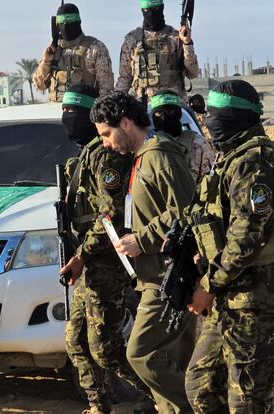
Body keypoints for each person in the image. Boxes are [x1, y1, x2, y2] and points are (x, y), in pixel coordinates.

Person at [185, 79, 274, 414]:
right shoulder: (231, 158)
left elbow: (245, 237)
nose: (208, 122)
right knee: (201, 385)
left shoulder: (256, 161)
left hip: (254, 297)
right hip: (228, 294)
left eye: (216, 116)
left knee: (247, 399)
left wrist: (208, 285)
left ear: (234, 118)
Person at [91, 91, 196, 414]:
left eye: (107, 134)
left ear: (125, 122)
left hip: (168, 278)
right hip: (153, 274)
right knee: (173, 356)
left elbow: (187, 209)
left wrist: (143, 239)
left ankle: (203, 402)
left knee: (140, 352)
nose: (106, 144)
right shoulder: (142, 159)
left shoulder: (160, 156)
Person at [60, 85, 150, 414]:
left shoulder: (108, 154)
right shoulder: (88, 153)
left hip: (106, 259)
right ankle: (99, 405)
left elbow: (109, 216)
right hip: (89, 258)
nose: (67, 120)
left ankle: (159, 398)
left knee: (106, 350)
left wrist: (81, 255)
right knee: (76, 340)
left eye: (73, 113)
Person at [115, 0, 198, 102]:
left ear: (162, 9)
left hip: (174, 104)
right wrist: (116, 100)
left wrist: (187, 43)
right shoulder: (132, 40)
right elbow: (125, 78)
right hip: (143, 106)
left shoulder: (176, 38)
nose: (152, 14)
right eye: (148, 10)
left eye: (156, 10)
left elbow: (193, 73)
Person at [33, 3, 114, 102]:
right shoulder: (54, 50)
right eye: (62, 23)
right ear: (57, 26)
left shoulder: (95, 48)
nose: (66, 26)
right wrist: (46, 62)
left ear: (79, 22)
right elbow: (39, 84)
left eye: (70, 22)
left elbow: (106, 89)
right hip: (53, 111)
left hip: (84, 111)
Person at [150, 90, 215, 183]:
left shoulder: (199, 144)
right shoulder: (147, 147)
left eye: (171, 111)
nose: (165, 117)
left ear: (179, 113)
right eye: (159, 113)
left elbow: (211, 184)